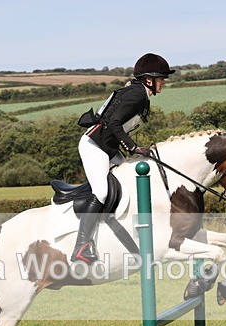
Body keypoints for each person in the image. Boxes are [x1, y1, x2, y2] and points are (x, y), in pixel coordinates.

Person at [72, 52, 175, 264]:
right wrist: (134, 147)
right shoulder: (137, 95)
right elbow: (115, 124)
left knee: (128, 185)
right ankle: (81, 245)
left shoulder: (140, 94)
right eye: (161, 78)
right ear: (149, 79)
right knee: (101, 191)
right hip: (94, 146)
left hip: (108, 148)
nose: (164, 83)